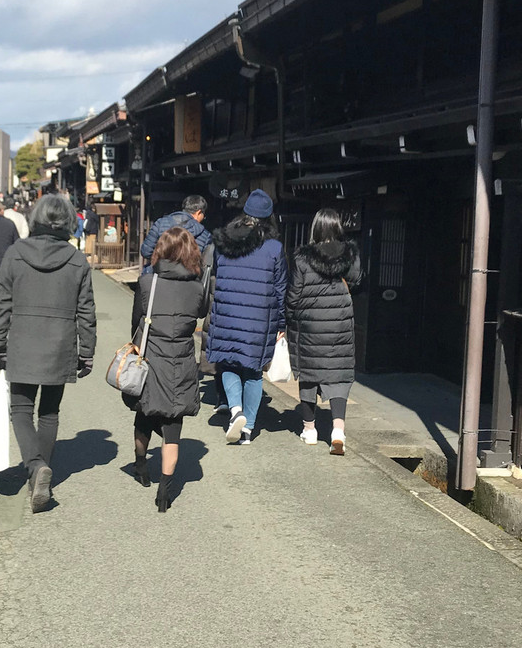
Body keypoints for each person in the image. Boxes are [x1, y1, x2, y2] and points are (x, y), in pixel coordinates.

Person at [0, 194, 97, 513]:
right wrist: (86, 351)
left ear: (35, 219)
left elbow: (1, 303)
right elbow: (86, 311)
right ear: (67, 223)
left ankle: (36, 468)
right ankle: (40, 473)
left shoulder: (16, 253)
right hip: (61, 344)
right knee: (49, 413)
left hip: (22, 342)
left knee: (20, 410)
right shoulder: (77, 260)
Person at [126, 227, 206, 513]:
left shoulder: (148, 283)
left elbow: (136, 320)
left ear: (161, 250)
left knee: (145, 413)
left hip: (151, 358)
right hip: (182, 360)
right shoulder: (197, 287)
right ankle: (164, 493)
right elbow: (200, 312)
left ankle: (141, 466)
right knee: (173, 426)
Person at [205, 189, 286, 445]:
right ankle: (248, 428)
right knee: (252, 372)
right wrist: (282, 323)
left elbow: (217, 276)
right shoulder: (274, 247)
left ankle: (235, 409)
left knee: (227, 363)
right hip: (259, 318)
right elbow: (281, 287)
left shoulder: (224, 243)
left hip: (227, 313)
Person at [286, 208, 362, 455]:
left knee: (308, 376)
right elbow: (358, 280)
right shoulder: (350, 253)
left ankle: (310, 430)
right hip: (339, 324)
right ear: (338, 227)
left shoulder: (302, 258)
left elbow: (294, 295)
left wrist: (288, 318)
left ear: (316, 228)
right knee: (338, 376)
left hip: (309, 325)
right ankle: (338, 431)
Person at [140, 195, 211, 274]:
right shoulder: (205, 234)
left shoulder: (160, 223)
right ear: (199, 212)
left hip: (159, 275)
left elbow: (146, 251)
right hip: (188, 279)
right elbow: (204, 263)